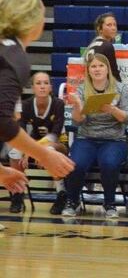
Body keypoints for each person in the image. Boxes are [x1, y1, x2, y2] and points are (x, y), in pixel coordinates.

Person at [0, 0, 74, 195]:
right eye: (42, 13)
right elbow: (2, 122)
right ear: (32, 21)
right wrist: (44, 154)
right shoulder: (14, 57)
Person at [64, 53, 128, 219]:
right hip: (86, 138)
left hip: (113, 140)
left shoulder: (120, 88)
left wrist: (113, 110)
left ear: (107, 69)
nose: (97, 69)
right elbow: (78, 121)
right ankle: (72, 201)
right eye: (93, 66)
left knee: (109, 163)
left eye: (101, 66)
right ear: (88, 71)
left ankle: (109, 203)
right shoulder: (82, 89)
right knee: (76, 164)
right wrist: (78, 107)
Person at [10, 72, 68, 214]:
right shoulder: (26, 105)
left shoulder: (58, 104)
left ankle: (61, 193)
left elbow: (55, 133)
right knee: (15, 151)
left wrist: (37, 151)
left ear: (50, 87)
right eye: (38, 83)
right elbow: (21, 132)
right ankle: (17, 193)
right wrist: (28, 150)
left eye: (45, 83)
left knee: (50, 150)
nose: (42, 86)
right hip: (34, 145)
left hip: (58, 144)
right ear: (33, 88)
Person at [85, 12, 122, 81]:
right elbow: (114, 74)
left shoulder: (91, 45)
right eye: (109, 25)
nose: (113, 28)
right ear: (100, 29)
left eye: (115, 25)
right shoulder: (107, 46)